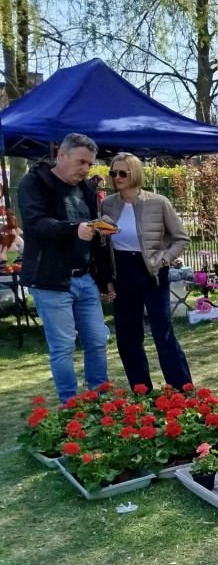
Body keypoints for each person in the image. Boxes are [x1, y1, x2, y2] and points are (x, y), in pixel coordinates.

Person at [19, 133, 113, 402]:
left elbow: (93, 235)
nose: (86, 169)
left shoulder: (86, 188)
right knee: (63, 346)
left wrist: (104, 276)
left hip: (85, 279)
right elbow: (35, 224)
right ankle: (69, 405)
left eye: (90, 164)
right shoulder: (34, 182)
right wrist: (74, 229)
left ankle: (100, 401)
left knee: (97, 340)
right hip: (51, 280)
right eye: (81, 162)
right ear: (61, 154)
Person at [99, 152, 193, 390]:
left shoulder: (158, 202)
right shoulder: (107, 204)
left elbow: (181, 239)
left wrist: (164, 260)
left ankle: (182, 390)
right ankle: (141, 392)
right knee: (127, 337)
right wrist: (106, 279)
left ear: (135, 173)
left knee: (163, 334)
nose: (117, 177)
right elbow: (102, 245)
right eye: (113, 172)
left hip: (152, 273)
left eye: (123, 172)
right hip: (122, 273)